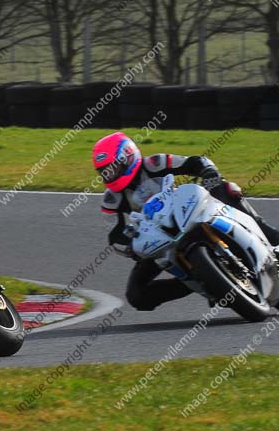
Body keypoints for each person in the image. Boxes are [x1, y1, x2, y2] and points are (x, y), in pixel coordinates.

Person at [93, 131, 279, 311]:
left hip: (187, 209)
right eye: (105, 172)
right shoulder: (111, 200)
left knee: (225, 188)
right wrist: (129, 247)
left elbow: (195, 162)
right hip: (158, 237)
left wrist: (208, 172)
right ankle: (204, 280)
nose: (110, 175)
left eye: (113, 168)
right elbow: (115, 234)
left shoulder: (154, 163)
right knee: (137, 295)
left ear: (128, 156)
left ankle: (271, 237)